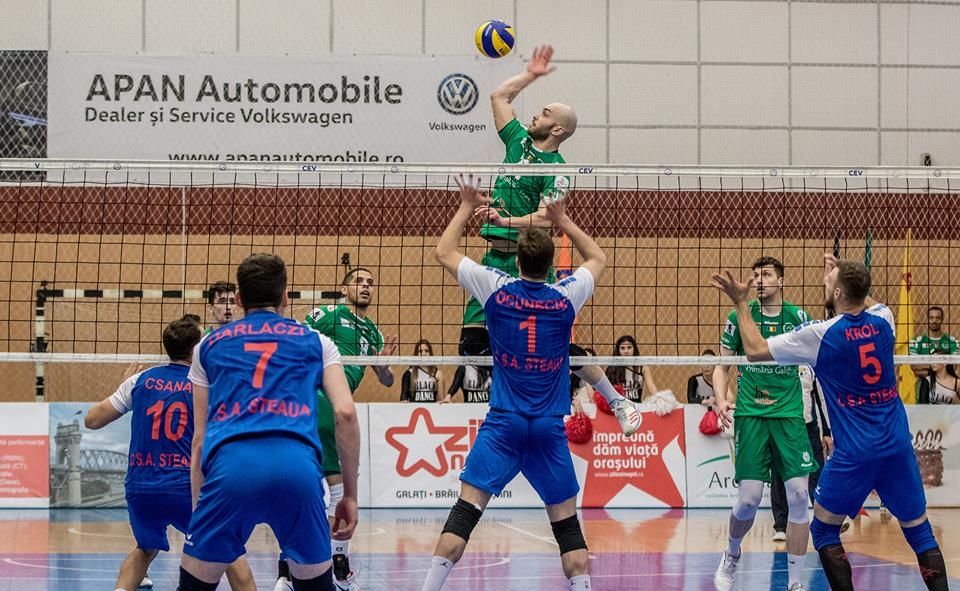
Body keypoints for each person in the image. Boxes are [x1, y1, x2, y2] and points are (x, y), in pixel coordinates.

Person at [712, 255, 949, 591]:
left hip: (855, 454)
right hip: (897, 447)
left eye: (829, 282)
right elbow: (866, 299)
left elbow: (754, 349)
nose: (824, 283)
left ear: (838, 292)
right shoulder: (885, 319)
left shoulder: (821, 334)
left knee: (823, 529)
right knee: (919, 532)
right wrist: (846, 276)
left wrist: (740, 302)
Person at [421, 174, 603, 591]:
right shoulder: (566, 296)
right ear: (549, 265)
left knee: (463, 517)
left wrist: (466, 206)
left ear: (517, 263)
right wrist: (562, 219)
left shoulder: (495, 288)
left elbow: (444, 251)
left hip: (504, 425)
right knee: (568, 532)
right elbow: (597, 257)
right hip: (548, 429)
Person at [459, 43, 640, 436]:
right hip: (493, 261)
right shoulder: (517, 142)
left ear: (557, 129)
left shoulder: (558, 169)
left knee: (552, 345)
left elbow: (547, 216)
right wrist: (531, 75)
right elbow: (499, 96)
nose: (534, 116)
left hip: (526, 266)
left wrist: (505, 220)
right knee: (471, 347)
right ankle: (518, 407)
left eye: (543, 113)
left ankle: (616, 399)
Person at [179, 253, 361, 591]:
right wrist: (349, 495)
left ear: (238, 299)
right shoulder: (317, 342)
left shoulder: (207, 347)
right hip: (297, 471)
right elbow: (345, 413)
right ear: (285, 297)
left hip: (231, 471)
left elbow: (199, 439)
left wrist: (198, 508)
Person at [84, 315, 254, 591]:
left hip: (141, 488)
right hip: (185, 487)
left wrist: (124, 389)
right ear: (196, 350)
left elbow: (91, 420)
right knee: (229, 552)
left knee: (145, 549)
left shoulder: (139, 381)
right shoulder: (208, 385)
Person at [275, 267, 397, 591]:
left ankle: (289, 570)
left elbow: (386, 381)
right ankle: (332, 568)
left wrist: (384, 366)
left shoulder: (374, 332)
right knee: (338, 492)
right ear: (344, 290)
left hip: (330, 411)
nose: (366, 286)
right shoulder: (329, 314)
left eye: (370, 282)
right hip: (320, 402)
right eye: (359, 281)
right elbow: (296, 339)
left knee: (313, 491)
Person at [711, 256, 816, 591]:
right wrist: (720, 398)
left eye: (766, 274)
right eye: (755, 275)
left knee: (799, 495)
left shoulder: (798, 317)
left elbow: (818, 359)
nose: (758, 279)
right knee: (748, 500)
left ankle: (795, 582)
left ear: (781, 281)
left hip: (789, 416)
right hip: (751, 414)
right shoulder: (738, 316)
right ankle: (731, 552)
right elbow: (722, 366)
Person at [770, 365, 833, 542]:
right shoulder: (777, 363)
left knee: (817, 475)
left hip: (808, 429)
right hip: (783, 427)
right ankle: (780, 526)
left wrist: (827, 431)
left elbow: (821, 400)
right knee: (779, 475)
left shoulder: (811, 366)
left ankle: (824, 522)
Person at [605, 335, 657, 402]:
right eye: (622, 348)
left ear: (634, 348)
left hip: (637, 406)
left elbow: (651, 388)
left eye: (629, 347)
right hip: (618, 406)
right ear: (618, 350)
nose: (626, 351)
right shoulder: (612, 368)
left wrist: (660, 400)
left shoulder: (643, 368)